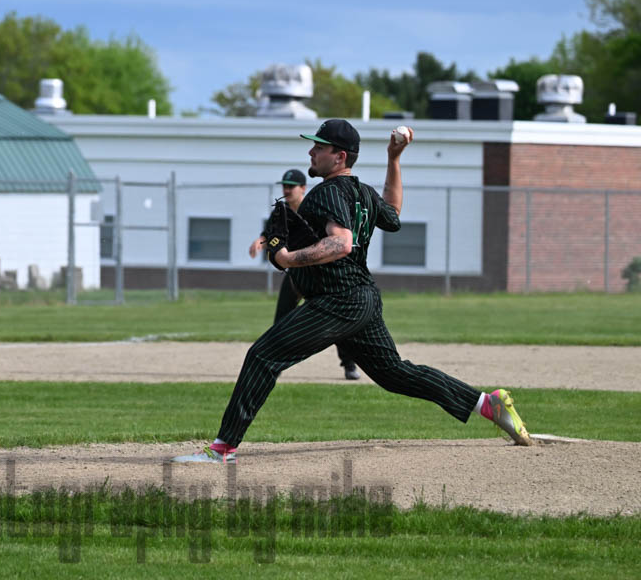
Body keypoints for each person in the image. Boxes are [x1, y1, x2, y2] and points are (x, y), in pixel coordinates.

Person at [174, 119, 533, 464]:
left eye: (319, 147)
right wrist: (394, 160)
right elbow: (393, 212)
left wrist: (288, 258)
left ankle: (223, 448)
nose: (311, 152)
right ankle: (486, 404)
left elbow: (341, 242)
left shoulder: (327, 192)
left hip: (339, 299)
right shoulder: (362, 192)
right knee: (394, 373)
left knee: (262, 355)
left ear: (340, 156)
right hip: (361, 297)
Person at [249, 168, 361, 380]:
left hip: (320, 275)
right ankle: (273, 365)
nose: (286, 190)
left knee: (335, 320)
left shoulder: (313, 208)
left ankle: (349, 364)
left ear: (303, 188)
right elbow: (270, 233)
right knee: (281, 319)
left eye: (291, 186)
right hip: (296, 274)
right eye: (285, 186)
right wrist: (260, 241)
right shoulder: (281, 211)